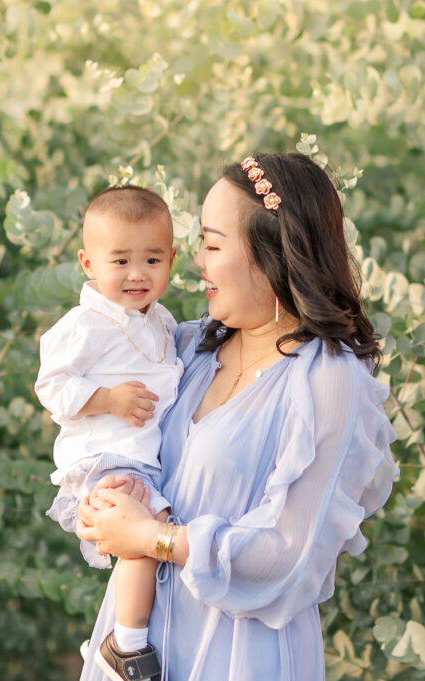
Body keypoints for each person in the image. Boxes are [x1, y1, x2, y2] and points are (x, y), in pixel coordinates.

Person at [75, 152, 399, 681]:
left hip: (239, 652)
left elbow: (289, 557)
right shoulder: (184, 347)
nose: (196, 261)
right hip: (135, 641)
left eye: (212, 242)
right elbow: (94, 419)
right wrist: (102, 501)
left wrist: (151, 540)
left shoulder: (327, 381)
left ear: (272, 256)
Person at [34, 186, 182, 681]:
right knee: (148, 531)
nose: (137, 274)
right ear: (88, 263)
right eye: (120, 260)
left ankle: (129, 635)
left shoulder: (161, 321)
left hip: (136, 457)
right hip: (103, 456)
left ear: (172, 260)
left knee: (147, 537)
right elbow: (51, 386)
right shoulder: (85, 324)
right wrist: (109, 399)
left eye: (152, 259)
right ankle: (127, 643)